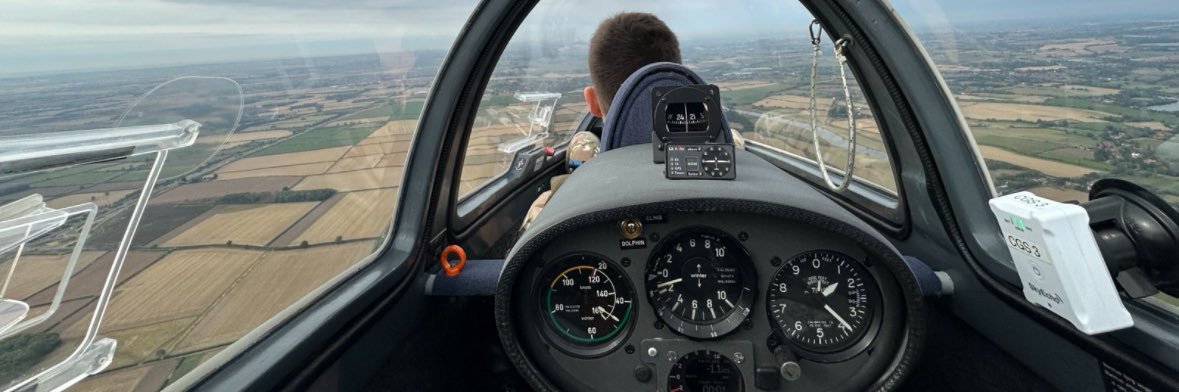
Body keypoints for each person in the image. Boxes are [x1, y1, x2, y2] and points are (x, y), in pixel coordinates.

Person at [521, 12, 743, 230]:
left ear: (592, 102)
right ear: (677, 84)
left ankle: (588, 160)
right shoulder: (742, 182)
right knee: (733, 140)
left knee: (583, 143)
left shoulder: (549, 212)